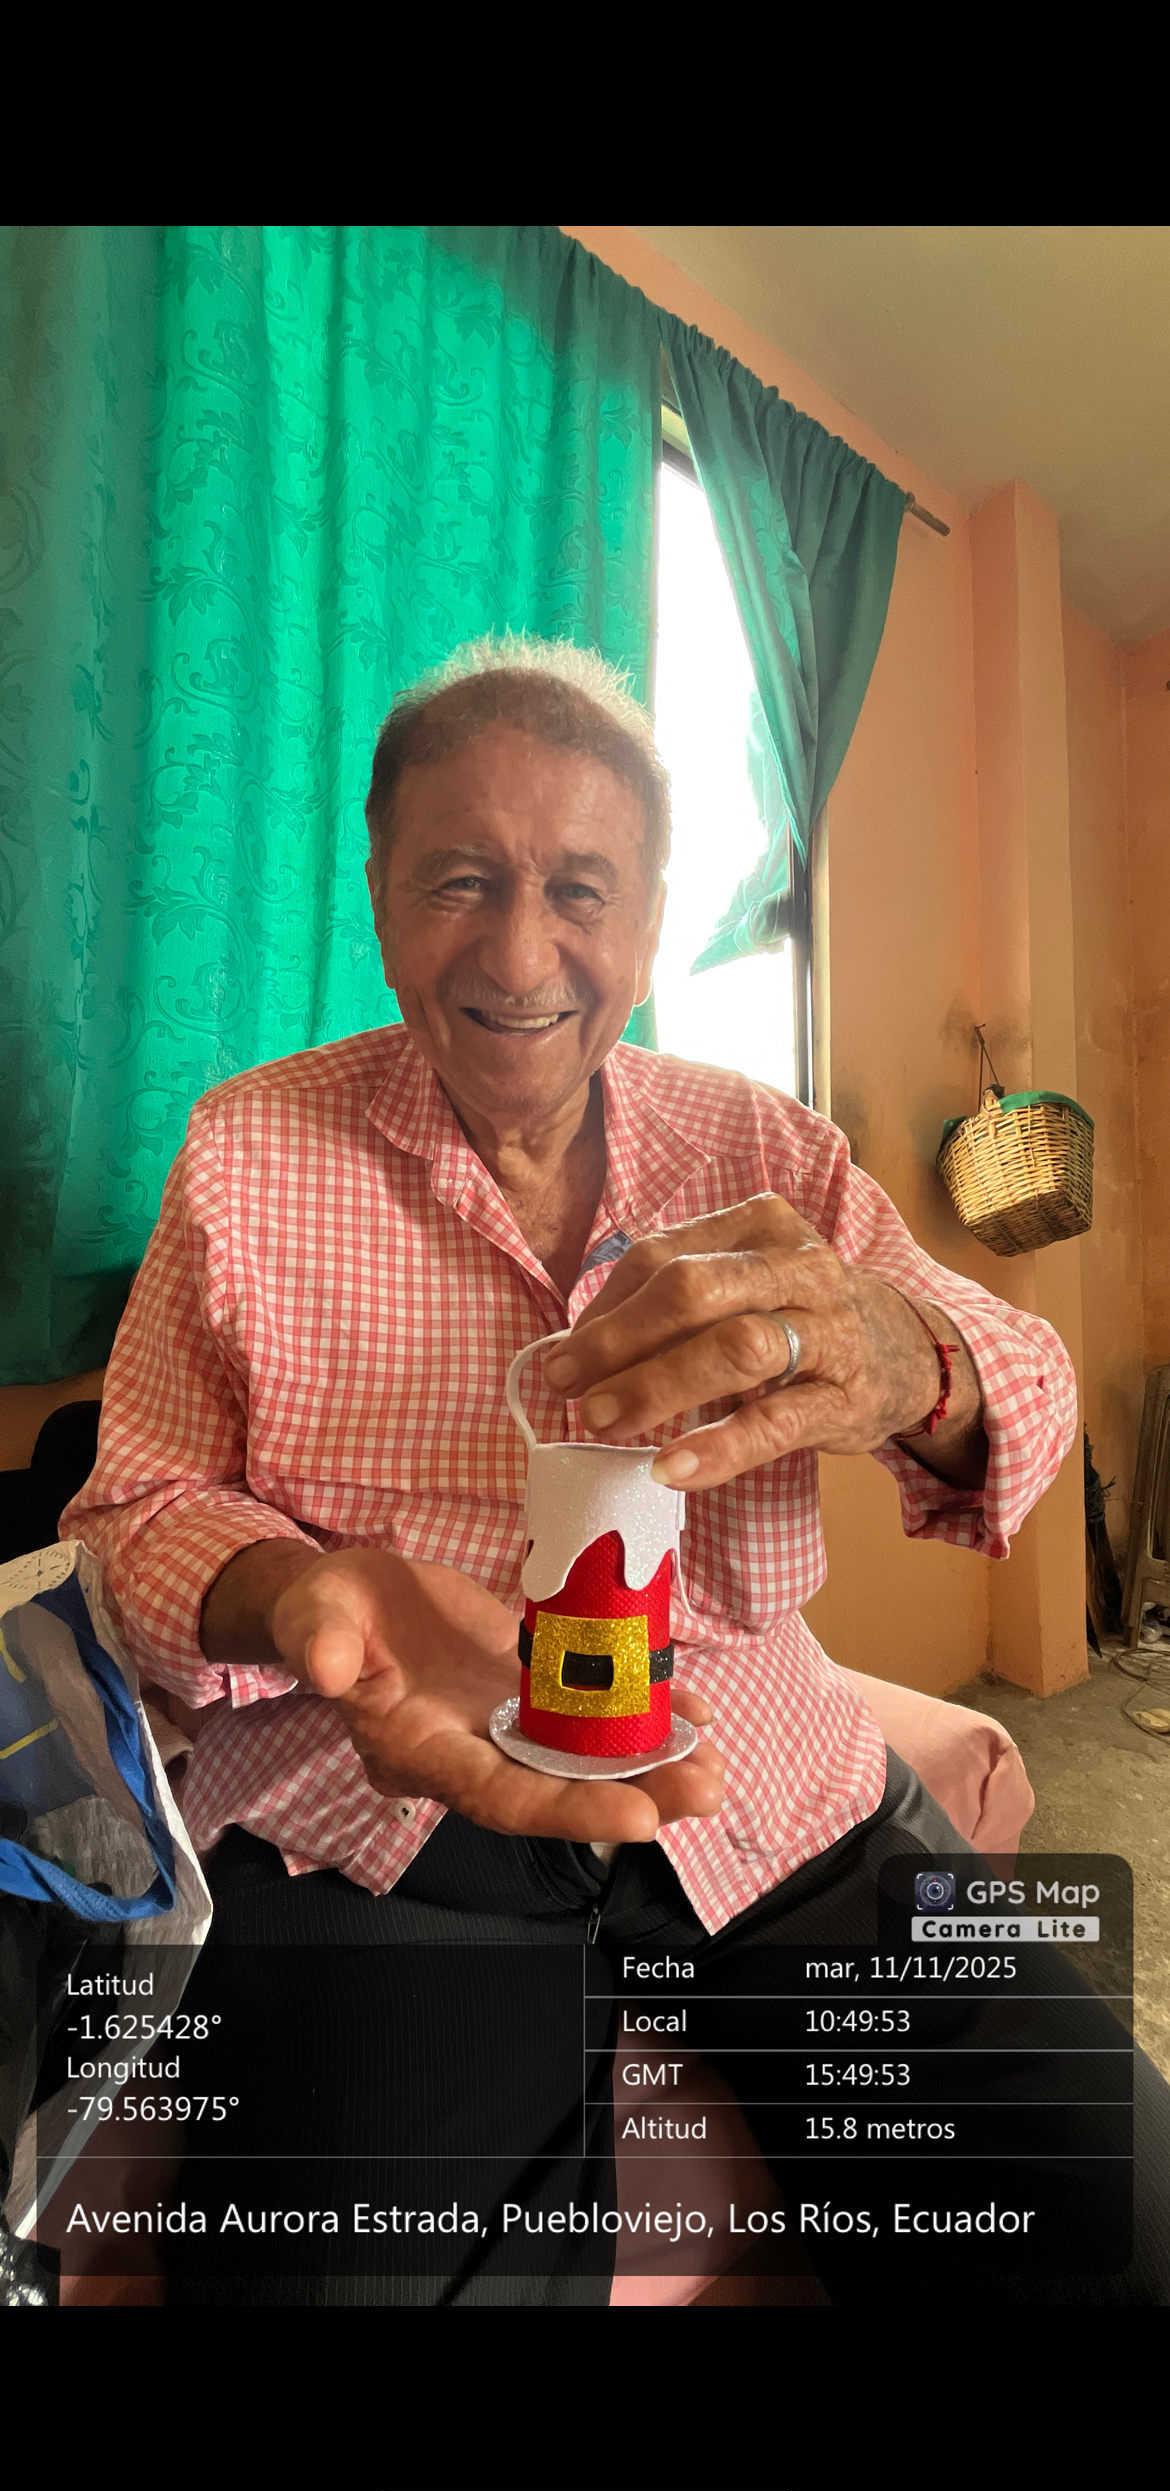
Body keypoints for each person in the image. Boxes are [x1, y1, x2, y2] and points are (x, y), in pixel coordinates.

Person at [62, 635, 1165, 2306]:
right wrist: (301, 1591)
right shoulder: (243, 1151)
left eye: (580, 889)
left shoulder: (768, 1151)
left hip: (769, 1788)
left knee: (1123, 2225)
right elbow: (131, 1514)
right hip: (385, 1809)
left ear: (647, 927)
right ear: (379, 899)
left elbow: (1023, 1378)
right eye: (459, 880)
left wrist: (901, 1357)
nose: (520, 954)